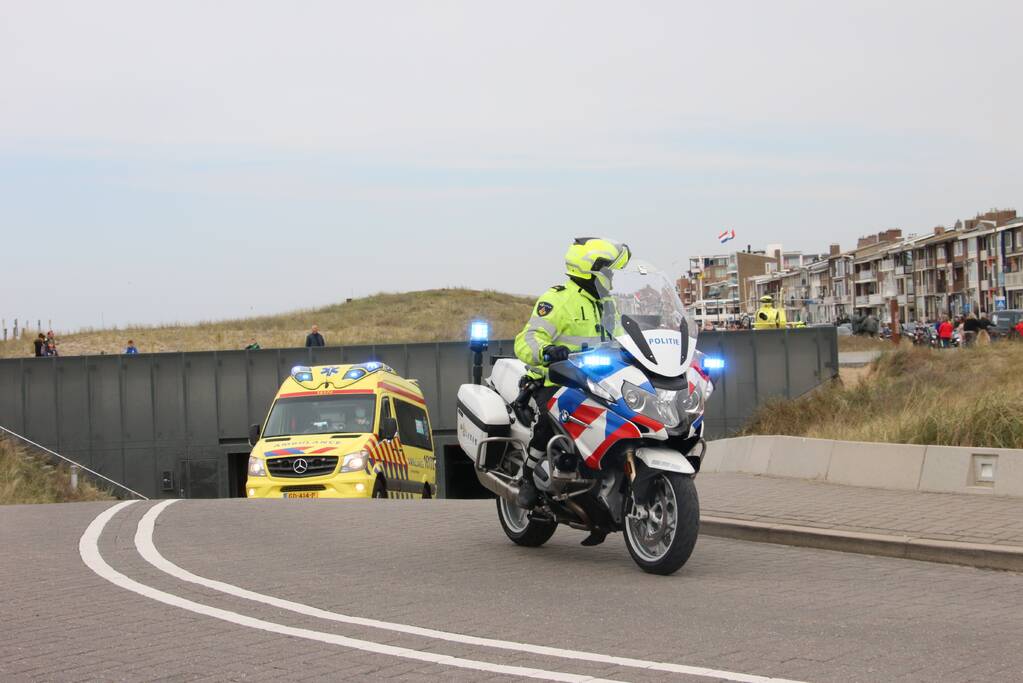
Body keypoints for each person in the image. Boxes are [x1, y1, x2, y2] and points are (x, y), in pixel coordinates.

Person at [513, 237, 631, 543]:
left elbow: (623, 338)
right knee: (549, 419)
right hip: (555, 381)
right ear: (590, 271)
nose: (613, 277)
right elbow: (528, 339)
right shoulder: (559, 300)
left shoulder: (609, 304)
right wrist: (548, 352)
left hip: (600, 381)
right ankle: (527, 479)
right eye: (609, 271)